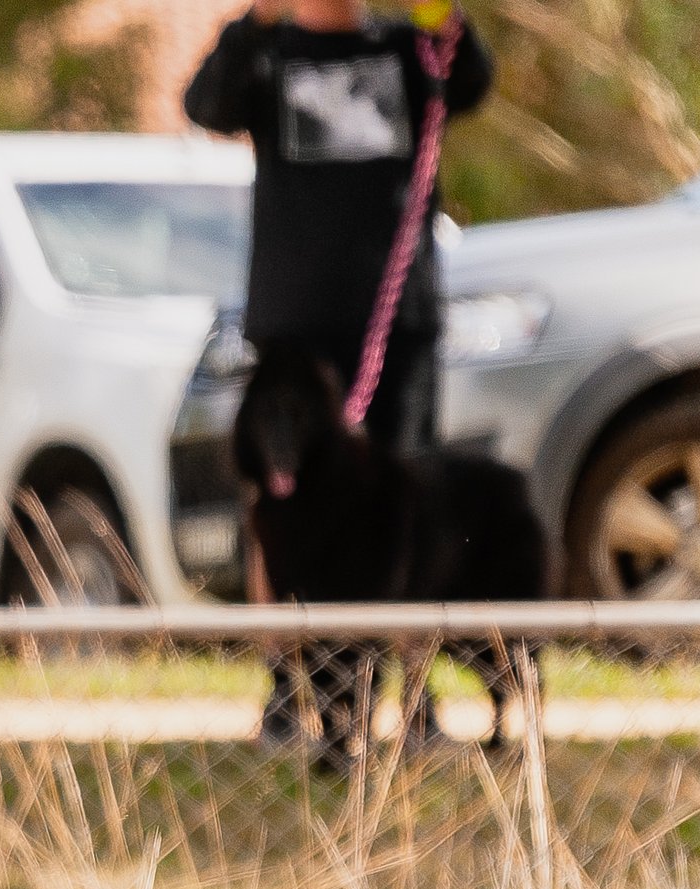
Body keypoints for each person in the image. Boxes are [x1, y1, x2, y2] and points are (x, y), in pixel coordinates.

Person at [185, 0, 492, 753]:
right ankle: (290, 695)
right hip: (296, 328)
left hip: (398, 316)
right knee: (287, 512)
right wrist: (254, 22)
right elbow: (207, 105)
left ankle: (412, 703)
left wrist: (442, 18)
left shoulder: (405, 46)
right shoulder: (266, 50)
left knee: (408, 500)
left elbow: (472, 86)